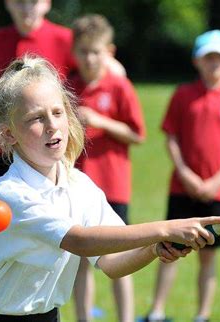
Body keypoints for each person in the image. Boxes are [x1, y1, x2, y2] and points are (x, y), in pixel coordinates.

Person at [0, 55, 220, 322]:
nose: (52, 126)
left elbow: (112, 263)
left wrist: (154, 249)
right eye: (37, 118)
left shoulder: (80, 186)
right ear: (9, 134)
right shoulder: (9, 193)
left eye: (57, 112)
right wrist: (165, 229)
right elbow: (79, 241)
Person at [144, 30, 220, 322]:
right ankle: (157, 311)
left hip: (218, 192)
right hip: (182, 188)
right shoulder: (184, 95)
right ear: (197, 61)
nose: (214, 64)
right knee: (169, 249)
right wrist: (186, 174)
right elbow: (171, 138)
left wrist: (216, 182)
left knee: (208, 255)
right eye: (209, 58)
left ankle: (202, 315)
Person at [0, 0, 125, 178]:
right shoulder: (0, 39)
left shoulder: (63, 38)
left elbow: (114, 69)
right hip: (10, 145)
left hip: (49, 141)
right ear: (8, 4)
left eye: (34, 2)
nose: (27, 9)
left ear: (47, 4)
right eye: (20, 3)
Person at [68, 14, 145, 322]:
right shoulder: (68, 86)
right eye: (83, 51)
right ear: (74, 52)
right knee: (80, 260)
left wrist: (103, 122)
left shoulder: (120, 87)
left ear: (109, 51)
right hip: (75, 185)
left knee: (120, 258)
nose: (89, 58)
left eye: (96, 51)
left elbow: (138, 134)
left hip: (112, 185)